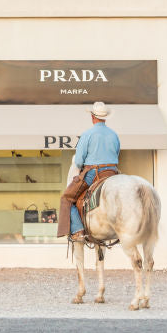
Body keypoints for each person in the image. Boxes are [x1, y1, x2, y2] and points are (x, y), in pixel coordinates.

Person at [56, 102, 121, 241]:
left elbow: (79, 161)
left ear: (93, 117)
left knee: (66, 198)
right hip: (113, 173)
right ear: (105, 118)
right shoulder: (114, 135)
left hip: (93, 173)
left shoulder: (87, 134)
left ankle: (78, 230)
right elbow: (117, 154)